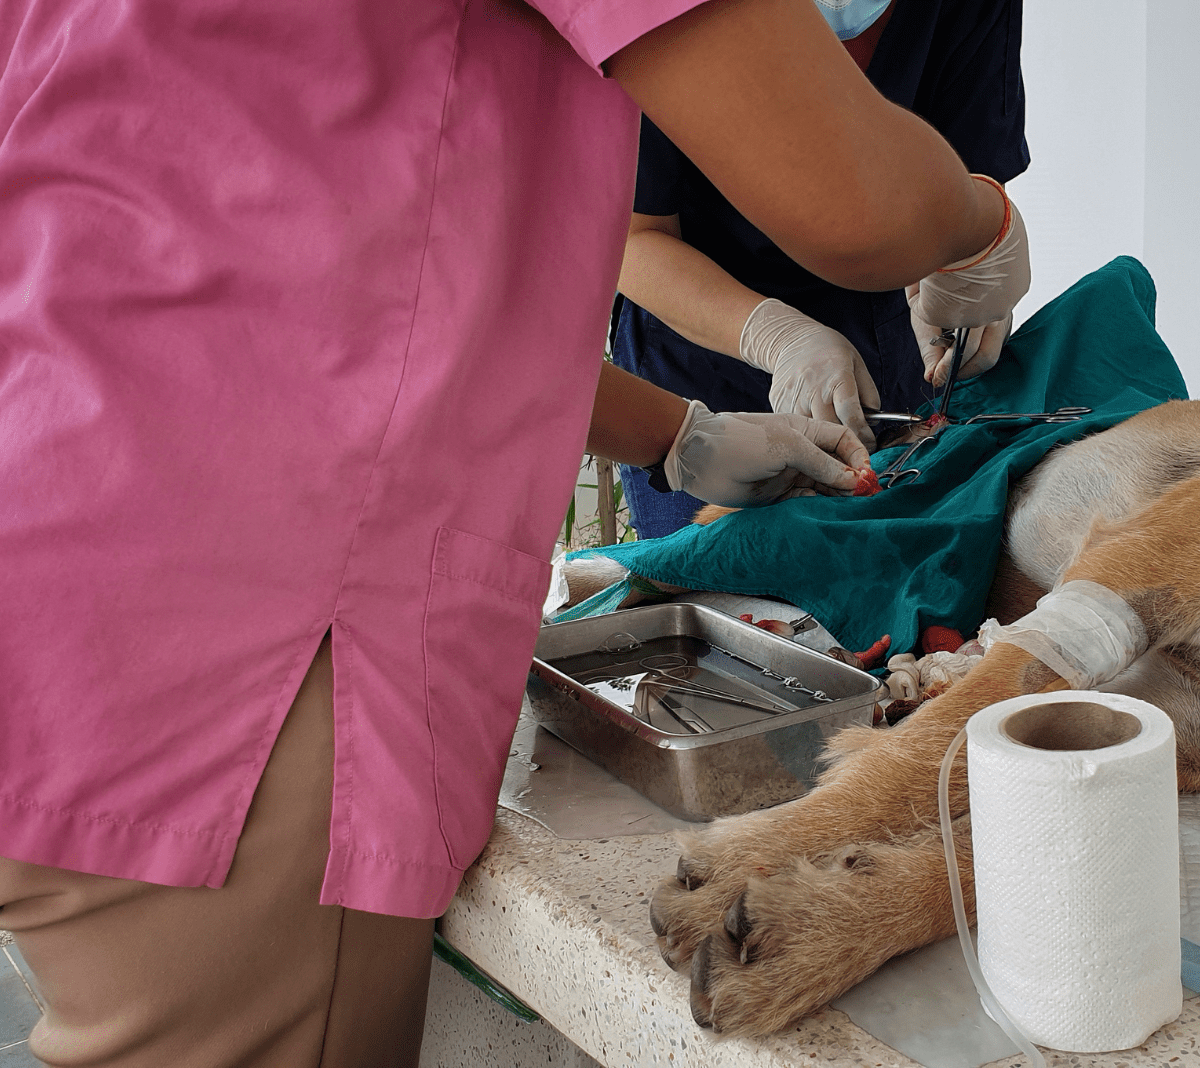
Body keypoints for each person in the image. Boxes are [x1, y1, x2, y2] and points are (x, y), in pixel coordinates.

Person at [0, 0, 1031, 1065]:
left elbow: (304, 260)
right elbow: (856, 201)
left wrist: (677, 434)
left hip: (52, 536)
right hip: (224, 651)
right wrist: (978, 226)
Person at [613, 0, 1029, 536]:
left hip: (896, 328)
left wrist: (965, 269)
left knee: (905, 555)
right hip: (699, 334)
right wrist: (777, 337)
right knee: (732, 575)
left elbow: (966, 175)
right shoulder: (653, 16)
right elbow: (632, 237)